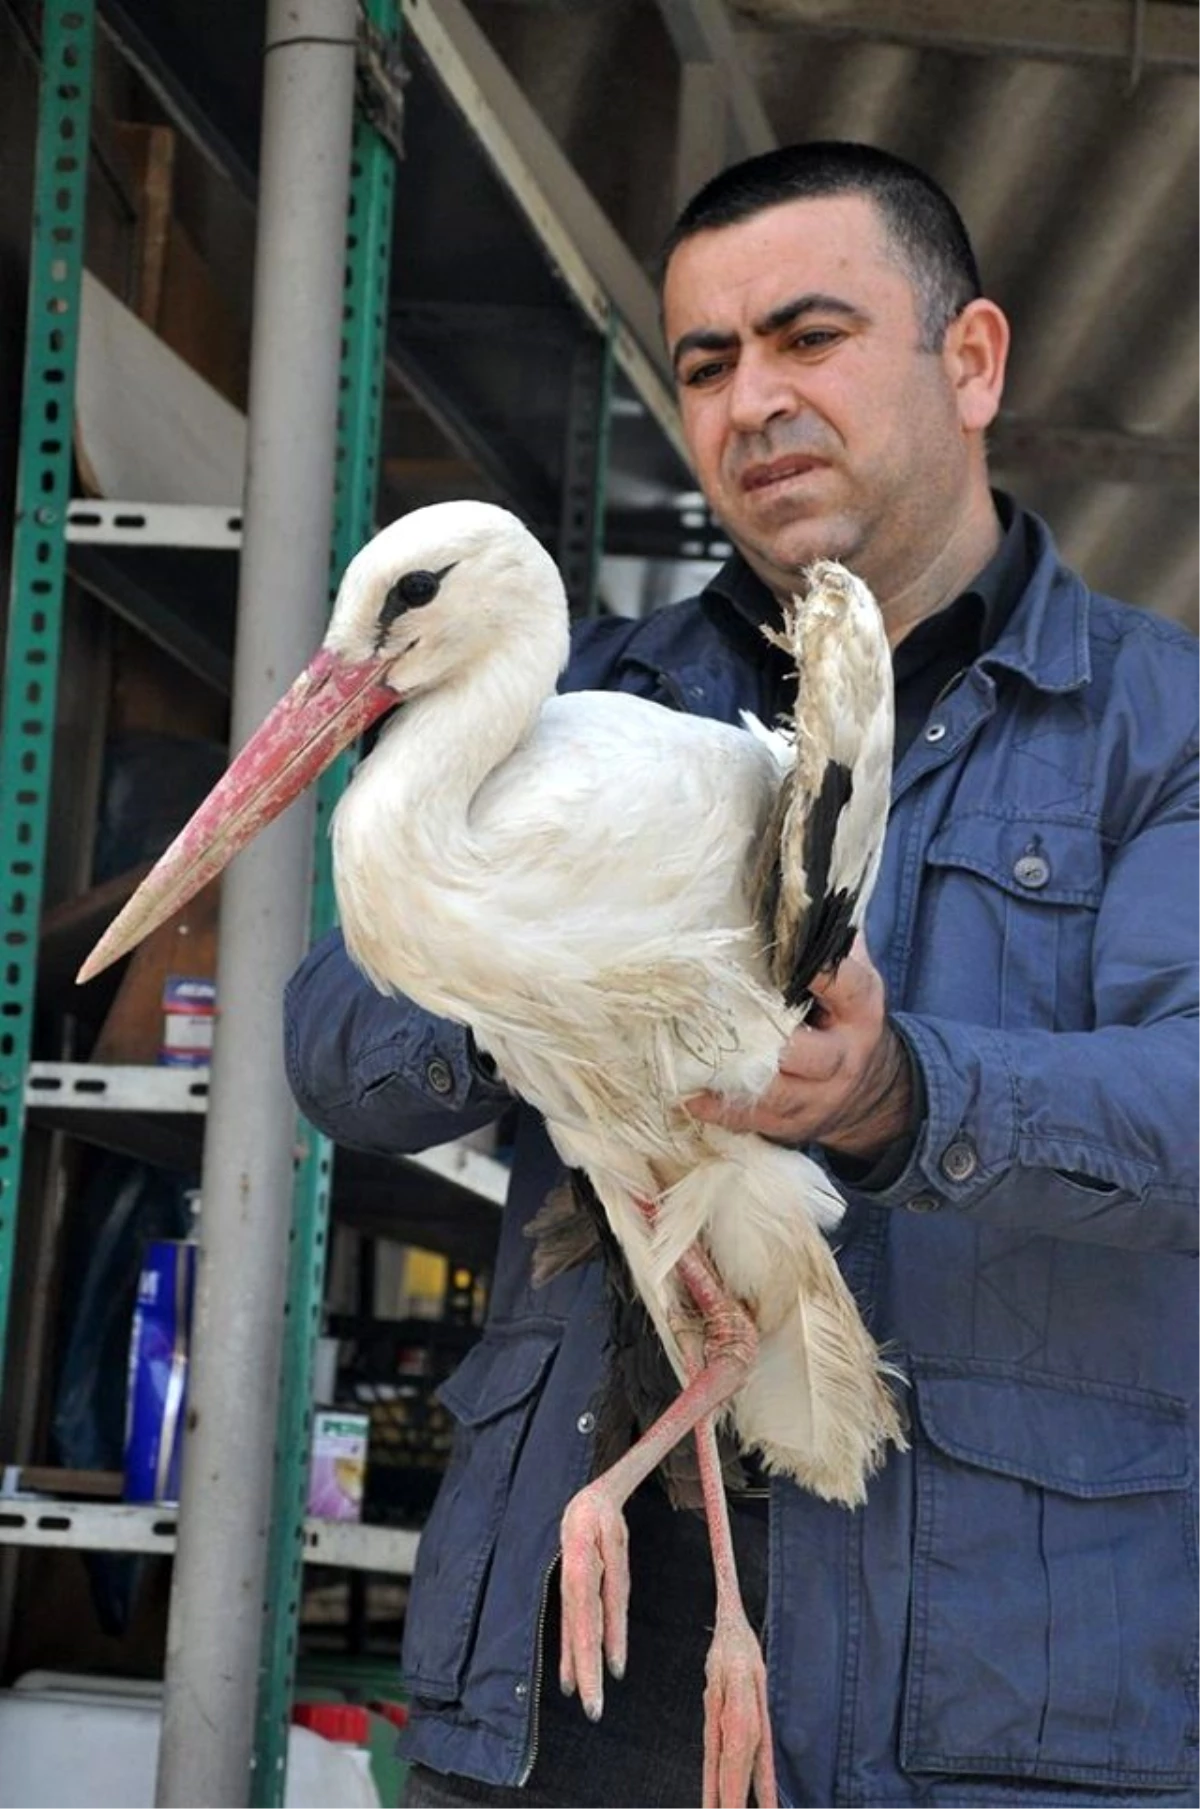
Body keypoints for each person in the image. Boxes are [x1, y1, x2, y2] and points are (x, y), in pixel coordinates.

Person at [284, 142, 1200, 1807]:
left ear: (972, 360)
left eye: (808, 336)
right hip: (572, 1693)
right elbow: (337, 1050)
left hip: (1000, 1708)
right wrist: (556, 949)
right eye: (706, 363)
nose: (751, 400)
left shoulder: (1163, 730)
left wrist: (906, 1090)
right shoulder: (581, 706)